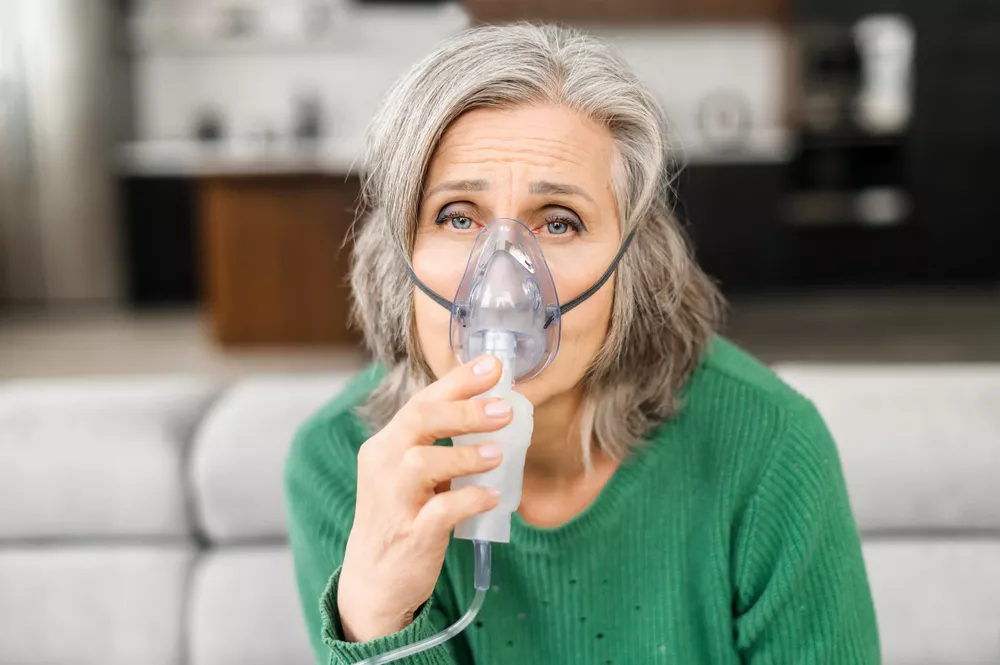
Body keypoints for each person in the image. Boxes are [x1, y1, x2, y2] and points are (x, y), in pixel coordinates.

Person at [285, 23, 879, 665]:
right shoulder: (345, 463)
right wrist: (377, 618)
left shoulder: (765, 447)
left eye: (560, 223)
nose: (505, 281)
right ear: (397, 255)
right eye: (458, 216)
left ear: (635, 265)